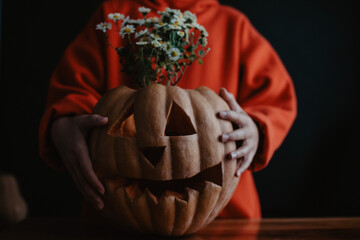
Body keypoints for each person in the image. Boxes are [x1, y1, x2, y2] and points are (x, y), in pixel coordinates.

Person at [39, 0, 297, 219]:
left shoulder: (234, 27)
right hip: (117, 218)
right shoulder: (113, 19)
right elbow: (73, 90)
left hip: (225, 217)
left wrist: (255, 129)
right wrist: (65, 124)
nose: (159, 148)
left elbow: (275, 100)